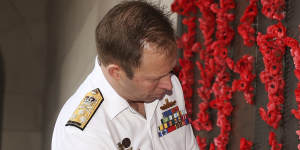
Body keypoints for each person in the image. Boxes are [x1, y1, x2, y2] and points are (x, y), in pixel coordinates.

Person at [51, 1, 199, 150]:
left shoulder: (166, 83)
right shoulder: (82, 136)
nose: (169, 84)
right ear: (116, 73)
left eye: (170, 71)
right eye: (154, 79)